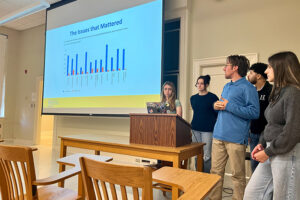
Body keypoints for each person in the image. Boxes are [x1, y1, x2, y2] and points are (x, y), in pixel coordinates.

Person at [244, 51, 300, 200]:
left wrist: (268, 151)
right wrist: (262, 144)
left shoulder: (293, 93)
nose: (266, 70)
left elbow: (292, 132)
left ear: (281, 68)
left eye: (269, 67)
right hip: (272, 149)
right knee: (252, 194)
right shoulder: (279, 92)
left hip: (286, 152)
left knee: (284, 196)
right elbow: (271, 123)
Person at [208, 55, 260, 200]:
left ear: (235, 67)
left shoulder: (248, 88)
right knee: (215, 173)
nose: (224, 68)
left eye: (227, 65)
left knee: (238, 176)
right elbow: (222, 105)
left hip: (236, 139)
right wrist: (216, 106)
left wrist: (228, 106)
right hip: (218, 136)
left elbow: (254, 112)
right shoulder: (227, 86)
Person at [247, 63, 273, 172]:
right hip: (253, 133)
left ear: (258, 76)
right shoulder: (250, 91)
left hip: (268, 135)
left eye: (251, 73)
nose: (248, 75)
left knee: (268, 166)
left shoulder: (271, 90)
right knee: (254, 164)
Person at [190, 75, 218, 173]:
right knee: (197, 154)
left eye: (202, 83)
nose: (199, 85)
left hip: (208, 130)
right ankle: (198, 175)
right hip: (195, 129)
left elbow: (217, 114)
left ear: (206, 85)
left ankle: (206, 178)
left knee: (206, 155)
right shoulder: (193, 98)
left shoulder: (213, 97)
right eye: (198, 83)